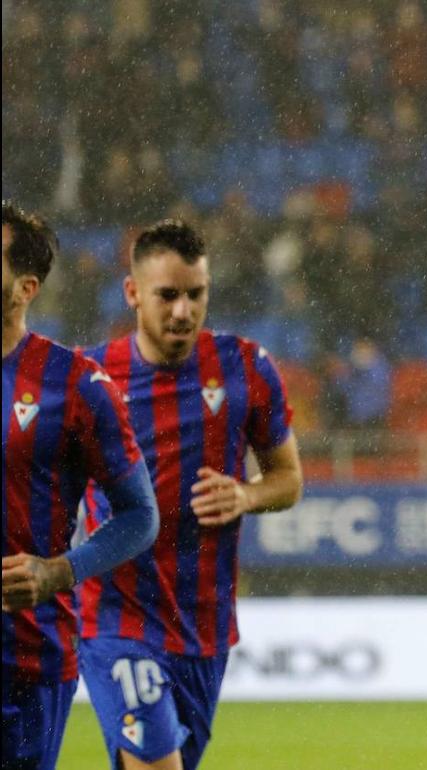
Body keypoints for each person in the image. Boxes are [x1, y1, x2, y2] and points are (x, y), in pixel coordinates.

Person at [77, 220, 304, 770]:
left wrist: (247, 496)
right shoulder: (90, 380)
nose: (182, 311)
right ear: (133, 293)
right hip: (117, 618)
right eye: (167, 295)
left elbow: (287, 479)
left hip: (204, 627)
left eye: (195, 295)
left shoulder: (246, 367)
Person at [2, 201, 160, 770]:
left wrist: (58, 571)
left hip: (23, 657)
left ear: (25, 287)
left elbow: (140, 515)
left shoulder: (76, 386)